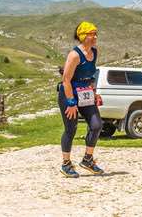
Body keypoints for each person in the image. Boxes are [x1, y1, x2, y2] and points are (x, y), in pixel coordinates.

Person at [57, 21, 104, 178]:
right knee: (71, 128)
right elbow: (66, 80)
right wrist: (71, 102)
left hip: (85, 93)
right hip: (69, 94)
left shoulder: (94, 52)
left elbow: (91, 76)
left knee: (97, 125)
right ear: (83, 36)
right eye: (92, 34)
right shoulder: (75, 55)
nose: (95, 37)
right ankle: (66, 164)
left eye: (95, 33)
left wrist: (94, 93)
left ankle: (87, 160)